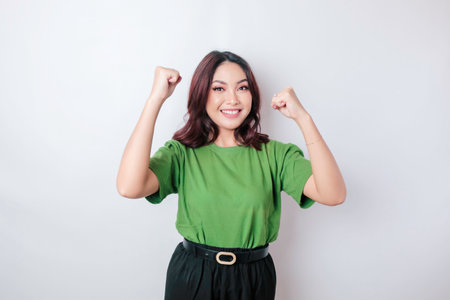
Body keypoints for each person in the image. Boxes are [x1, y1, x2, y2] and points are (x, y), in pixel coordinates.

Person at [116, 50, 346, 300]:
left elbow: (333, 194)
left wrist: (303, 118)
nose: (232, 99)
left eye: (242, 88)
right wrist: (155, 99)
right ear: (201, 94)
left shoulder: (275, 155)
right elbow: (129, 187)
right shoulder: (182, 153)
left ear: (252, 95)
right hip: (193, 275)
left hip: (253, 278)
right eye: (219, 89)